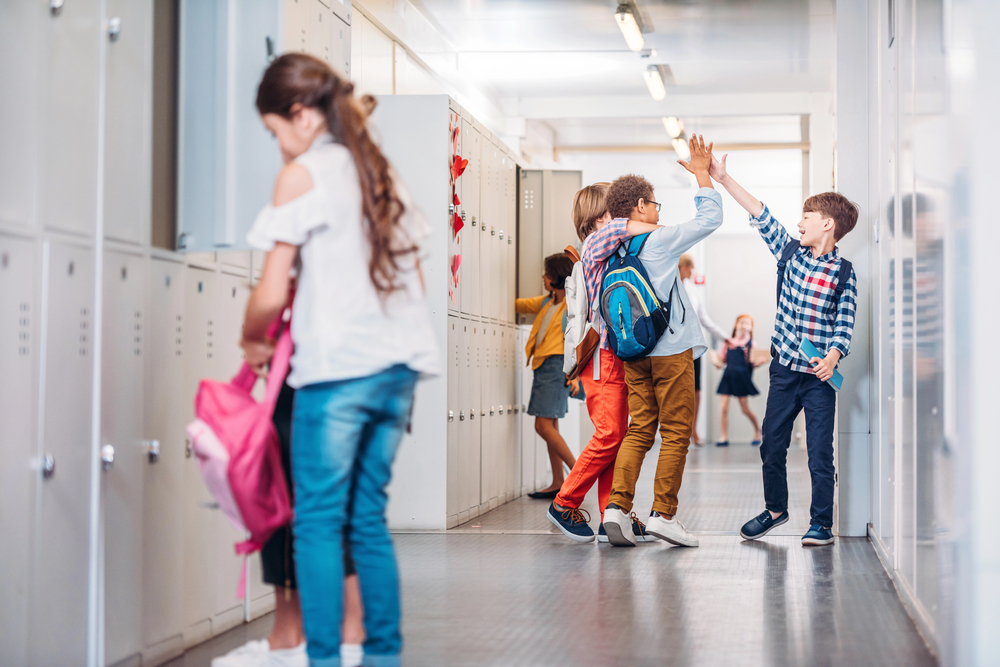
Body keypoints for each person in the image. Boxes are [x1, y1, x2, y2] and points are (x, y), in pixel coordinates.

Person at [241, 53, 439, 667]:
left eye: (275, 132)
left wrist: (254, 340)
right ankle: (382, 657)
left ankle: (324, 660)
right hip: (398, 368)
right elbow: (418, 284)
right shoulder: (379, 172)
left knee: (319, 521)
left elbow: (272, 289)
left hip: (339, 371)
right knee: (367, 520)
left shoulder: (305, 175)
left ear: (300, 115)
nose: (279, 147)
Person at [709, 152, 858, 547]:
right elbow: (761, 214)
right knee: (772, 444)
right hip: (785, 372)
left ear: (827, 224)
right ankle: (776, 510)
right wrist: (724, 178)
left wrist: (832, 357)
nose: (798, 224)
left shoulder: (844, 273)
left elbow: (844, 322)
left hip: (819, 379)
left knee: (818, 454)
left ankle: (821, 524)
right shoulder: (791, 256)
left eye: (806, 219)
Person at [600, 135, 724, 548]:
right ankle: (663, 516)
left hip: (633, 353)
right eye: (654, 204)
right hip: (671, 351)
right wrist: (704, 176)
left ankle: (616, 508)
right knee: (675, 432)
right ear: (639, 207)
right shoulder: (656, 241)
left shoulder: (611, 250)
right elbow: (708, 221)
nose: (657, 211)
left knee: (640, 430)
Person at [212, 374, 366, 667]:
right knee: (321, 507)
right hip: (326, 380)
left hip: (306, 377)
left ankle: (300, 638)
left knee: (289, 499)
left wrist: (255, 336)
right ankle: (320, 635)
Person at [545, 183, 660, 544]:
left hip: (612, 356)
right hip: (600, 359)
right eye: (616, 209)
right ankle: (564, 503)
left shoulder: (606, 248)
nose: (624, 213)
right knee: (609, 434)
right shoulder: (596, 243)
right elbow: (625, 227)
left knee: (617, 437)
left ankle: (615, 514)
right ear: (600, 217)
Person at [517, 253, 578, 499]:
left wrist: (574, 375)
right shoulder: (548, 302)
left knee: (542, 425)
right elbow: (520, 304)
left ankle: (578, 474)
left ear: (558, 278)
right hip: (544, 365)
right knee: (550, 424)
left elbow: (578, 341)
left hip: (556, 365)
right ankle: (557, 482)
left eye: (547, 274)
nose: (543, 277)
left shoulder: (571, 305)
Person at [677, 254, 732, 446]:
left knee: (696, 391)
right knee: (676, 392)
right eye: (691, 268)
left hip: (693, 348)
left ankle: (693, 431)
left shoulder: (692, 291)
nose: (693, 272)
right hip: (675, 349)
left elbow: (704, 319)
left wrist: (726, 337)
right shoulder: (667, 286)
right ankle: (678, 430)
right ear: (682, 267)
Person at [712, 314, 763, 447]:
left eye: (747, 323)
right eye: (741, 323)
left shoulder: (751, 343)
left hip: (741, 377)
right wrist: (716, 361)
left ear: (751, 327)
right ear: (736, 325)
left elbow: (753, 361)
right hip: (728, 375)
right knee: (723, 408)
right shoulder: (729, 342)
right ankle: (723, 436)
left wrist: (759, 362)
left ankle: (758, 430)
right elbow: (722, 359)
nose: (744, 326)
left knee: (744, 409)